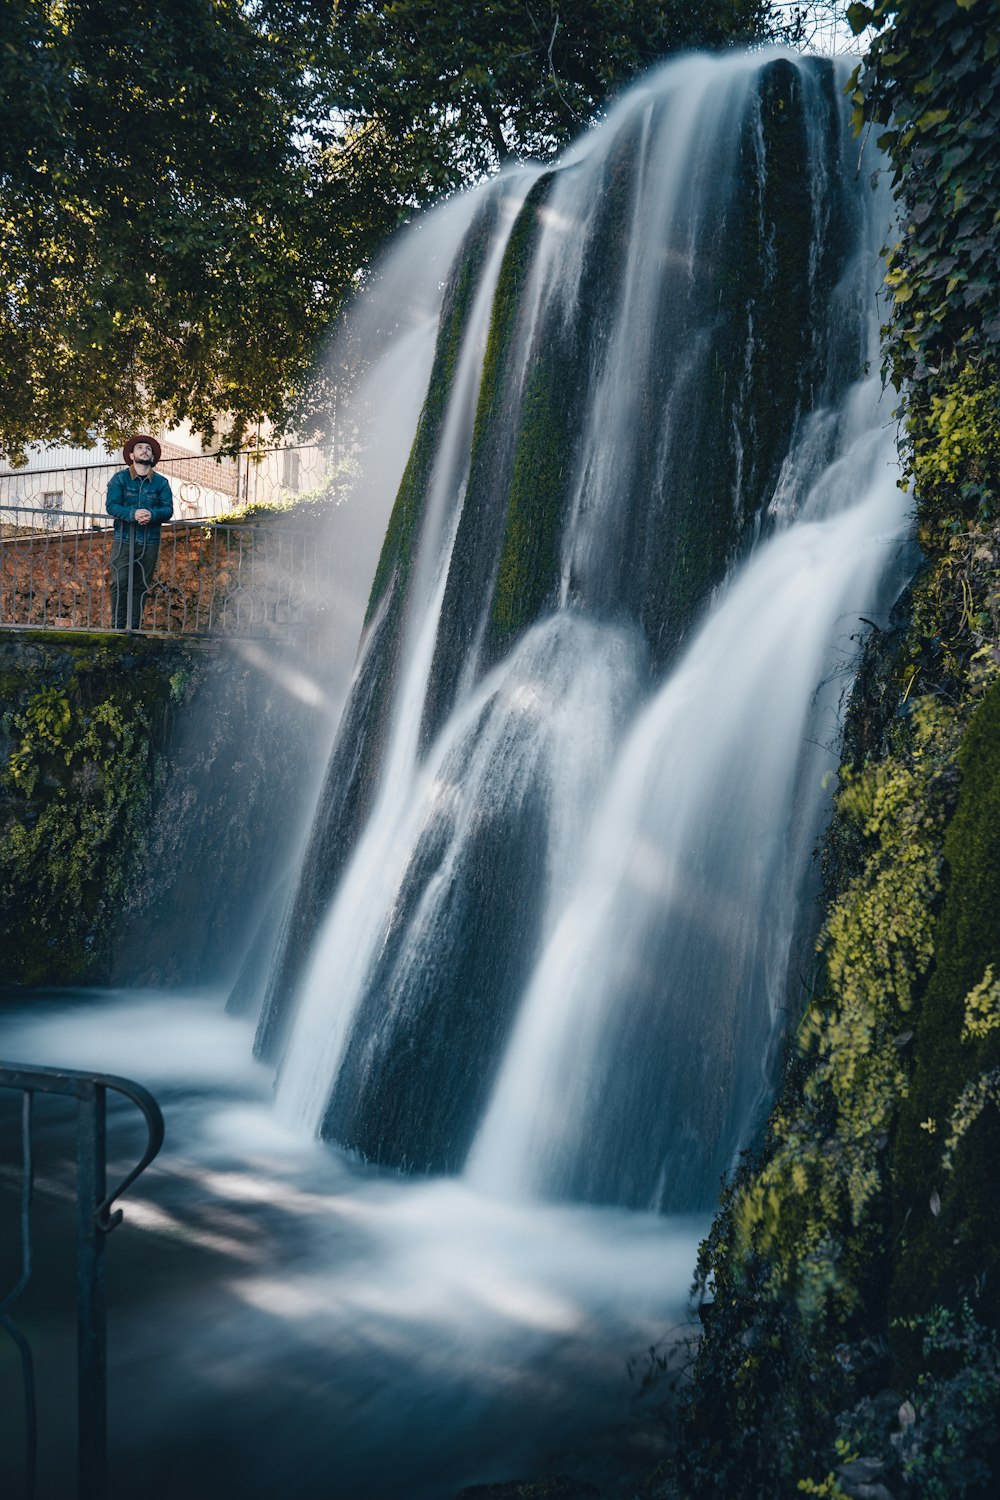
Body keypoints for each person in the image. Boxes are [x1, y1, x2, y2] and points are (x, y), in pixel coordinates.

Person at [106, 434, 173, 630]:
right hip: (124, 540)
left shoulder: (161, 483)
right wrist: (133, 513)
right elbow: (112, 506)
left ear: (152, 457)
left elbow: (168, 510)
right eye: (140, 447)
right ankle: (117, 629)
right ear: (131, 454)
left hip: (150, 542)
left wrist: (151, 515)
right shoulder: (119, 479)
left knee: (140, 586)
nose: (144, 450)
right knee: (119, 583)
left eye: (148, 449)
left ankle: (133, 629)